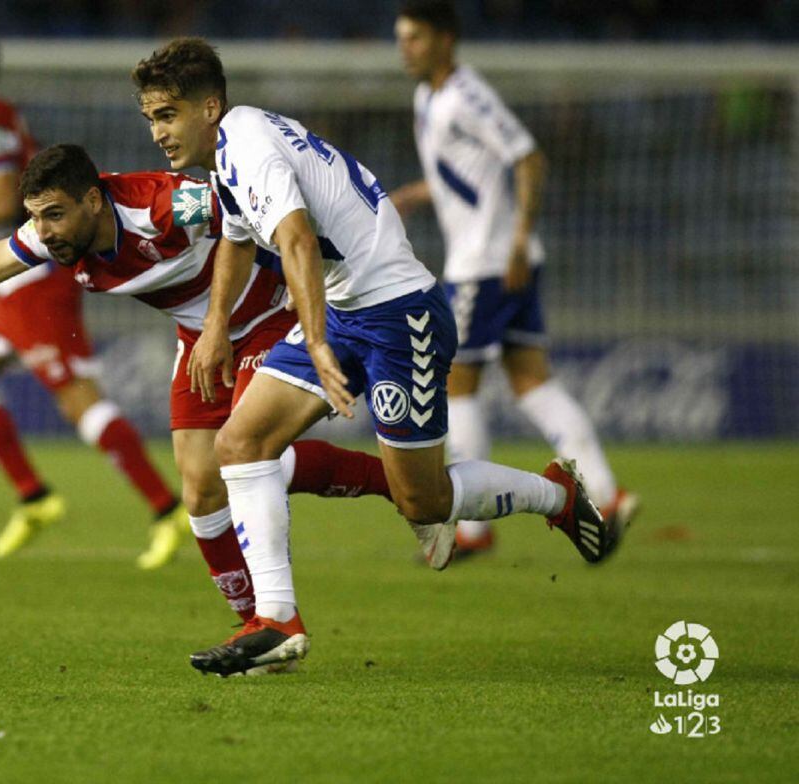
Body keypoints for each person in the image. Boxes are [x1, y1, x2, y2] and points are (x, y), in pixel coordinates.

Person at [131, 37, 621, 677]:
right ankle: (277, 621)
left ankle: (553, 495)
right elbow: (237, 238)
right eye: (150, 119)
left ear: (209, 106)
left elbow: (298, 241)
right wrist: (217, 325)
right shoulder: (231, 152)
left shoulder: (247, 143)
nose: (157, 133)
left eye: (167, 115)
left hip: (399, 314)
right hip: (344, 309)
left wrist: (314, 338)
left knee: (422, 500)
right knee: (239, 444)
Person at [0, 144, 398, 663]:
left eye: (56, 214)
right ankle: (259, 626)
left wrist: (237, 314)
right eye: (36, 218)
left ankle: (362, 525)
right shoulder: (51, 235)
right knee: (198, 486)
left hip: (268, 317)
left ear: (94, 200)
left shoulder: (164, 205)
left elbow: (246, 212)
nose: (46, 231)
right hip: (199, 336)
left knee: (238, 455)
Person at [0, 17, 186, 567]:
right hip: (9, 294)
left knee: (79, 404)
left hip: (33, 281)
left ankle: (167, 509)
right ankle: (34, 497)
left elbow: (4, 200)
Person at [391, 0, 639, 557]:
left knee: (456, 385)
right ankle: (608, 494)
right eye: (401, 38)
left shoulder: (466, 95)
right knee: (532, 381)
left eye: (415, 37)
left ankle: (475, 528)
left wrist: (520, 239)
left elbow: (527, 158)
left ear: (445, 40)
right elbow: (466, 176)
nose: (405, 48)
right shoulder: (428, 97)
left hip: (488, 263)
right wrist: (415, 193)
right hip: (500, 259)